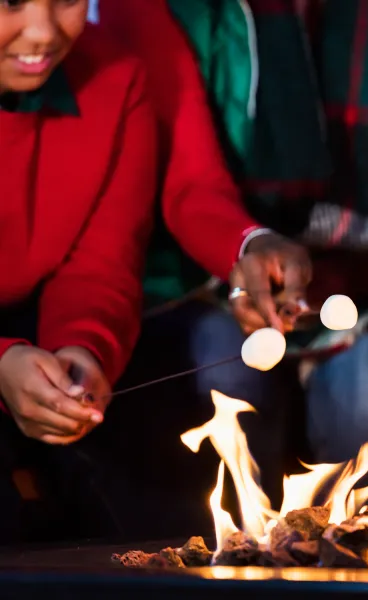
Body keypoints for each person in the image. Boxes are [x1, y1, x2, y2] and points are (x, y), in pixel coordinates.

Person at [89, 0, 368, 525]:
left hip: (366, 297)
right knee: (224, 369)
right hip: (198, 286)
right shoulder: (169, 13)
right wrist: (245, 251)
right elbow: (189, 185)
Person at [0, 0, 156, 540]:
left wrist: (82, 351)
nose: (43, 32)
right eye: (10, 3)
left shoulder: (115, 76)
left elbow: (101, 263)